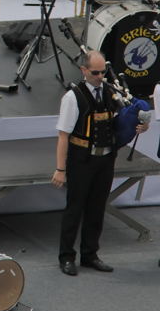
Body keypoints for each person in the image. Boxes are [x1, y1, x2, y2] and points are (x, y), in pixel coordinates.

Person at [52, 51, 146, 276]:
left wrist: (140, 126)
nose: (100, 76)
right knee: (75, 208)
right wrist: (60, 168)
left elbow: (121, 121)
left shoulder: (110, 93)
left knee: (96, 207)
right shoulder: (73, 97)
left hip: (105, 159)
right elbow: (63, 135)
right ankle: (66, 256)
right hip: (81, 159)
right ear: (84, 71)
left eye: (103, 71)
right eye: (95, 72)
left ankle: (90, 254)